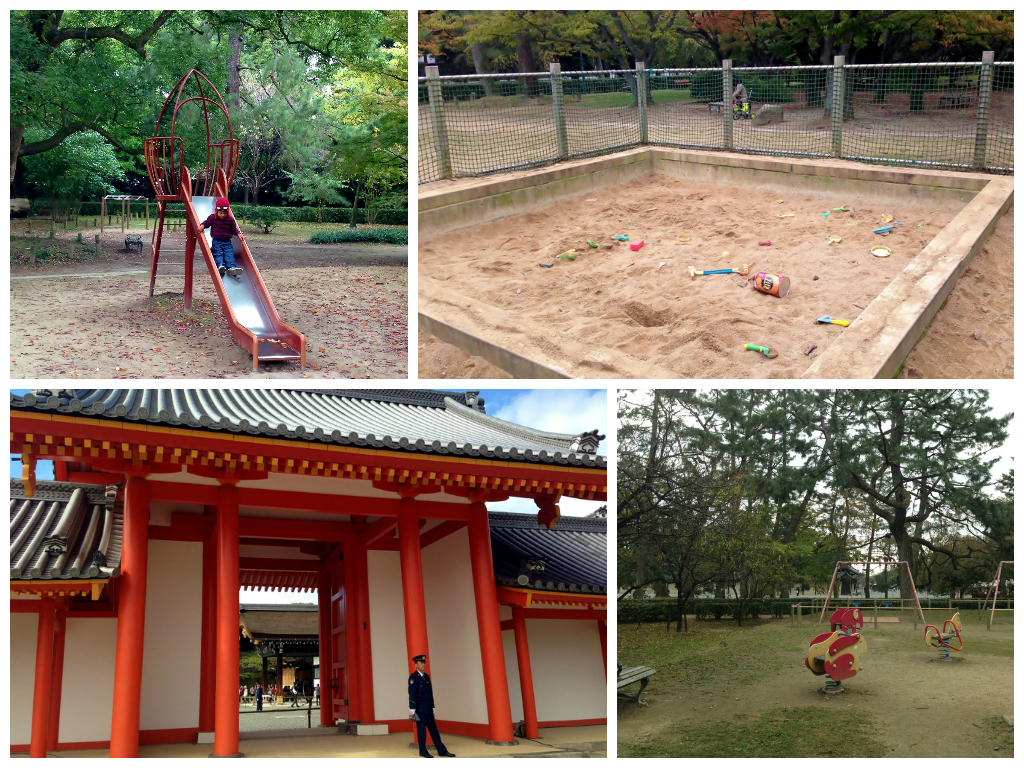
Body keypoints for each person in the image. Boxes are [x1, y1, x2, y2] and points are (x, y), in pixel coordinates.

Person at [408, 654, 455, 758]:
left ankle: (442, 751)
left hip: (428, 708)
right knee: (421, 731)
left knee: (434, 730)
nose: (423, 664)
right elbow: (411, 693)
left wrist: (433, 705)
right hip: (420, 708)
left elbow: (430, 693)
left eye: (424, 662)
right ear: (416, 664)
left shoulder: (426, 676)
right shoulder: (413, 677)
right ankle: (423, 751)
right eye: (421, 662)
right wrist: (412, 708)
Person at [200, 197, 244, 279]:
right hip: (216, 241)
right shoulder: (212, 218)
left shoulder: (230, 220)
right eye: (220, 213)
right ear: (217, 211)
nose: (222, 215)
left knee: (229, 254)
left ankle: (231, 268)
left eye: (224, 213)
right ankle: (220, 266)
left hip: (227, 241)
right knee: (217, 253)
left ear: (227, 212)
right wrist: (202, 225)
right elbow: (206, 223)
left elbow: (234, 229)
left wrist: (239, 234)